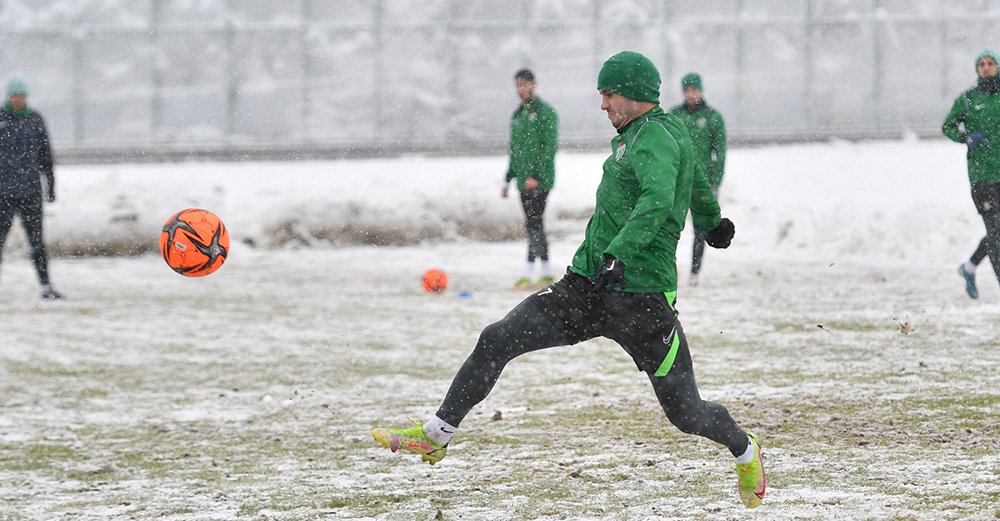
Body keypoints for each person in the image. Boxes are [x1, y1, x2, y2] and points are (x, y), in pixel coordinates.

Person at [372, 51, 766, 509]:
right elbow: (695, 179)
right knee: (498, 338)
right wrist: (711, 222)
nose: (602, 105)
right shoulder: (645, 133)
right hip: (586, 287)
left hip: (641, 298)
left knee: (687, 413)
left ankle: (745, 450)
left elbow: (658, 201)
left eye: (609, 95)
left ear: (634, 94)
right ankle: (437, 434)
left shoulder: (656, 136)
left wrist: (622, 253)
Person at [943, 49, 1000, 300]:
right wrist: (965, 137)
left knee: (998, 232)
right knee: (996, 233)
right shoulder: (968, 100)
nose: (986, 68)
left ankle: (969, 266)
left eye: (991, 63)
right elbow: (948, 126)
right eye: (981, 64)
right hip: (982, 176)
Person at [0, 76, 62, 299]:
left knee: (37, 242)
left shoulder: (35, 119)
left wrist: (51, 185)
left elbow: (46, 156)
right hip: (3, 193)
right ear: (9, 96)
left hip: (30, 192)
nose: (18, 99)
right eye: (14, 95)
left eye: (21, 95)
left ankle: (46, 287)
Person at [501, 68, 559, 290]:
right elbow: (515, 150)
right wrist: (508, 178)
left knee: (535, 223)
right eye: (518, 85)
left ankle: (533, 272)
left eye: (524, 84)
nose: (521, 89)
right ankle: (544, 271)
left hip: (539, 181)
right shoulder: (518, 115)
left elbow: (548, 147)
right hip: (522, 181)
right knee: (534, 224)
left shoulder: (545, 113)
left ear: (534, 85)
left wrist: (536, 176)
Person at [670, 72, 727, 286]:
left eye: (694, 90)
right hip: (677, 179)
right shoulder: (675, 116)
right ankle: (669, 268)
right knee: (669, 224)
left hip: (702, 181)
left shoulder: (712, 117)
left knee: (701, 228)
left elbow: (720, 151)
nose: (691, 94)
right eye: (687, 90)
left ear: (700, 91)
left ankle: (695, 272)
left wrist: (714, 180)